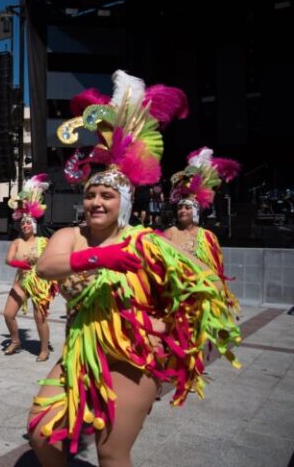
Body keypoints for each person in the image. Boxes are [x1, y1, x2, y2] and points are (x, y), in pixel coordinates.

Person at [27, 71, 241, 467]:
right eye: (90, 194)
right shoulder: (71, 237)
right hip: (80, 351)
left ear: (123, 202)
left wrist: (169, 329)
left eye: (106, 195)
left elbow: (200, 287)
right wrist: (98, 257)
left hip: (133, 359)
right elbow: (45, 267)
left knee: (111, 452)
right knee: (42, 432)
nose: (95, 202)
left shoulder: (148, 242)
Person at [164, 147, 241, 310]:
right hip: (176, 299)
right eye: (180, 208)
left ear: (196, 211)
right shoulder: (170, 233)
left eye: (187, 208)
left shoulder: (208, 236)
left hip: (201, 300)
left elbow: (216, 270)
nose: (182, 211)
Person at [3, 174, 58, 360]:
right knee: (8, 313)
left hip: (40, 282)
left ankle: (44, 349)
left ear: (34, 226)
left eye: (29, 223)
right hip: (20, 281)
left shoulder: (44, 241)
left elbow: (53, 258)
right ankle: (16, 340)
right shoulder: (17, 241)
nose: (25, 225)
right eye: (23, 223)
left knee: (39, 317)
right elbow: (8, 260)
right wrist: (20, 263)